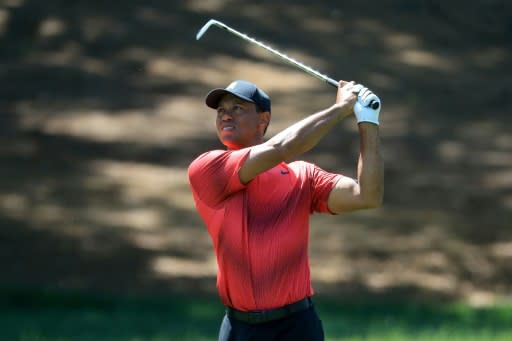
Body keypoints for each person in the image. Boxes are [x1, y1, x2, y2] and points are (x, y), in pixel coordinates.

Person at [188, 79, 384, 341]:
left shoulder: (303, 176)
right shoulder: (208, 168)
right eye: (221, 110)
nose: (225, 114)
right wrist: (340, 109)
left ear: (263, 119)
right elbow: (281, 148)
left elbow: (367, 196)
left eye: (237, 107)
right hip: (240, 329)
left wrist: (368, 121)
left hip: (298, 327)